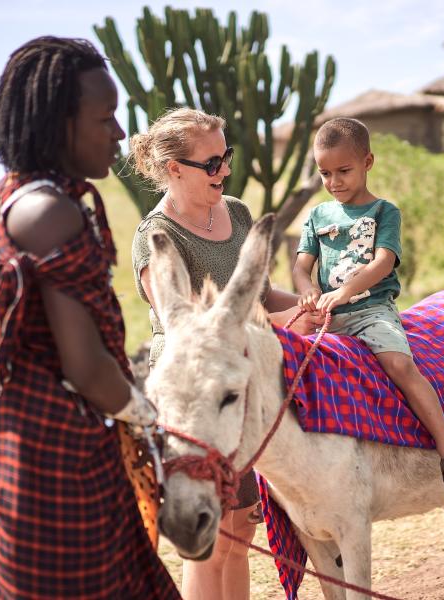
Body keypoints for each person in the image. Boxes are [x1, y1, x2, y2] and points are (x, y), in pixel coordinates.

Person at [0, 36, 180, 598]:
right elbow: (86, 368)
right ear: (58, 123)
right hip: (53, 465)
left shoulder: (12, 197)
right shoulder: (50, 213)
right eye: (105, 117)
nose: (118, 133)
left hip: (16, 453)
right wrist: (147, 419)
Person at [130, 107, 324, 600]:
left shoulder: (235, 211)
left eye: (226, 157)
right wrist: (279, 325)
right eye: (211, 163)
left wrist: (312, 305)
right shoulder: (157, 237)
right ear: (174, 169)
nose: (225, 171)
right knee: (209, 543)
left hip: (241, 390)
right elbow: (187, 330)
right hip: (196, 404)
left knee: (240, 535)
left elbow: (259, 295)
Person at [293, 117, 444, 500]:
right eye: (325, 173)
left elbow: (382, 262)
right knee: (286, 368)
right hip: (326, 318)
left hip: (371, 311)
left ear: (368, 162)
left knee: (400, 365)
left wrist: (344, 291)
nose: (334, 182)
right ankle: (285, 478)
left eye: (343, 171)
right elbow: (300, 266)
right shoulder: (317, 216)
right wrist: (308, 289)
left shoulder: (383, 212)